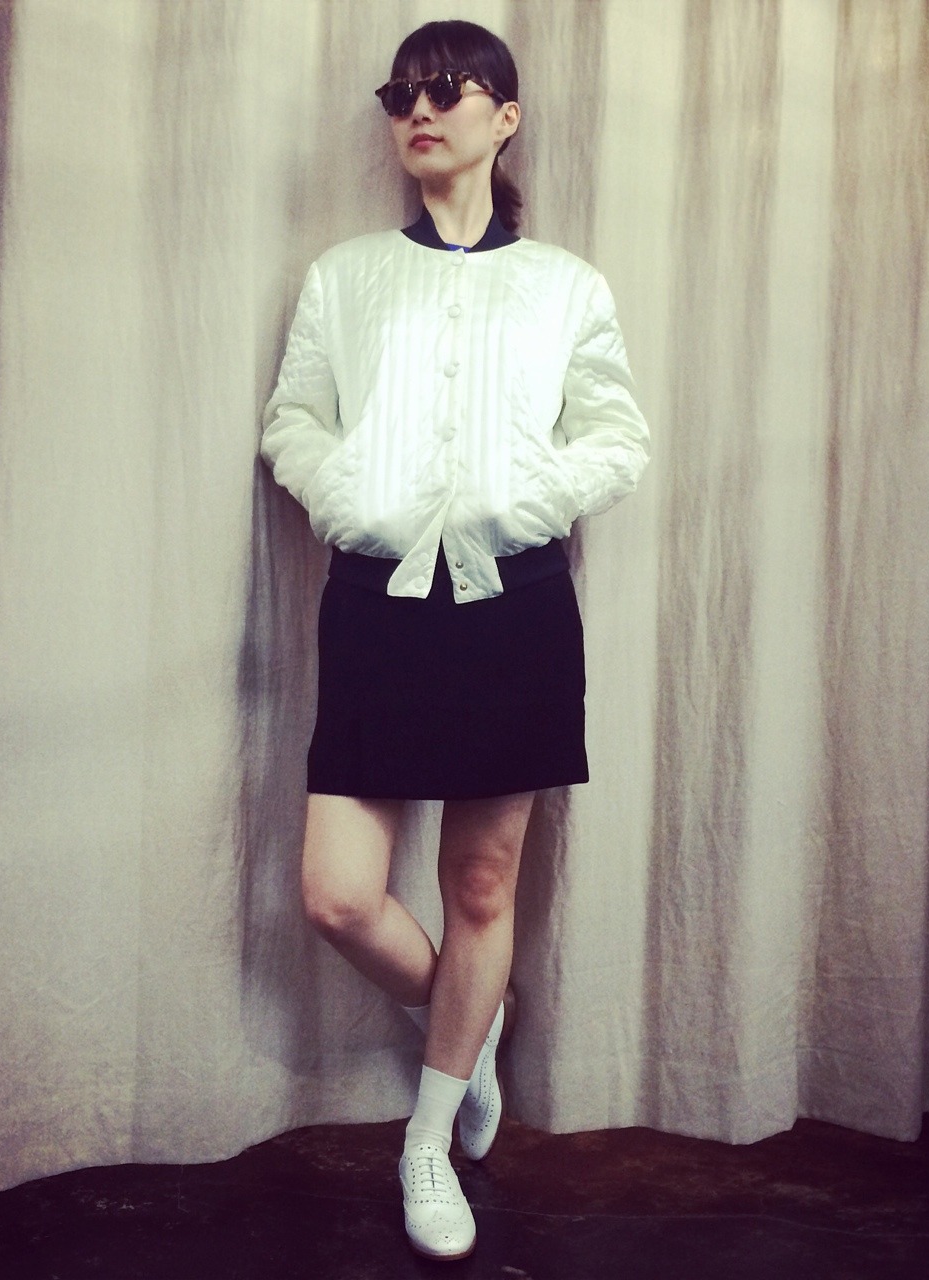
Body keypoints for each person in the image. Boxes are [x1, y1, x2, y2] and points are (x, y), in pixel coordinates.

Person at [259, 19, 649, 1262]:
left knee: (480, 887)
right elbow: (293, 421)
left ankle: (425, 1139)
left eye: (446, 90)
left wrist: (523, 499)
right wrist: (349, 498)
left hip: (513, 605)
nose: (418, 111)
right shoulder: (343, 276)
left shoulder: (566, 286)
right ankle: (465, 1027)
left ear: (504, 117)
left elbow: (615, 436)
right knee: (336, 892)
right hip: (374, 601)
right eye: (400, 94)